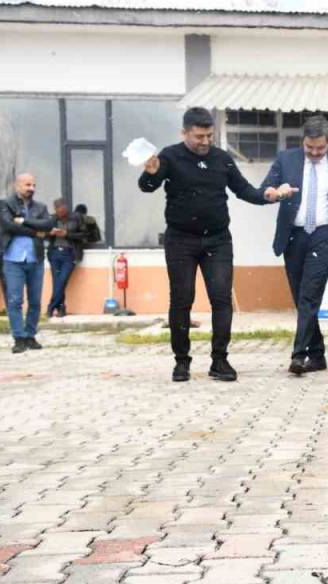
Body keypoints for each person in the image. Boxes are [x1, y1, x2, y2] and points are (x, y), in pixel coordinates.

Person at [139, 106, 287, 382]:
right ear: (184, 133)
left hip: (218, 240)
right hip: (181, 239)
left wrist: (269, 195)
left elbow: (244, 191)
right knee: (182, 300)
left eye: (210, 135)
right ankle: (181, 362)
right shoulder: (169, 156)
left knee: (221, 299)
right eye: (199, 136)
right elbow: (148, 187)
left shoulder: (222, 159)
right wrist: (150, 172)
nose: (206, 141)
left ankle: (220, 360)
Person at [261, 116, 328, 376]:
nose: (316, 153)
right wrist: (274, 193)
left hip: (324, 235)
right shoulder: (287, 159)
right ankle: (318, 355)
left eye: (321, 148)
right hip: (293, 237)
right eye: (310, 148)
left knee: (309, 296)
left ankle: (299, 355)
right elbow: (266, 189)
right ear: (303, 141)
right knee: (302, 299)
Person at [0, 174, 53, 353]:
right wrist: (35, 232)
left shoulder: (41, 207)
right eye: (28, 184)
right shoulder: (6, 205)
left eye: (34, 185)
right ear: (17, 185)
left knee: (35, 301)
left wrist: (25, 222)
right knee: (15, 301)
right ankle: (18, 338)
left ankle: (30, 335)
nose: (32, 188)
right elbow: (8, 226)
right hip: (13, 260)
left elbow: (47, 225)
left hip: (35, 259)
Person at [45, 198, 86, 318]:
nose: (59, 210)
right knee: (57, 281)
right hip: (54, 253)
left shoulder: (77, 217)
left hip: (70, 253)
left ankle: (51, 307)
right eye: (56, 208)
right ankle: (61, 308)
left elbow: (84, 235)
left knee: (61, 280)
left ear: (66, 207)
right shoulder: (52, 219)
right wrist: (50, 233)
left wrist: (67, 234)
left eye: (61, 207)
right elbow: (42, 234)